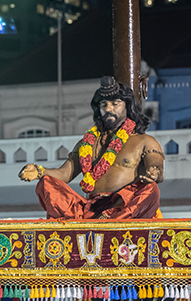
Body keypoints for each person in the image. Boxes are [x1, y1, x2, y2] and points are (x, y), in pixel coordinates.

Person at [19, 76, 163, 219]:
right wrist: (39, 171)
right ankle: (95, 220)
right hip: (90, 209)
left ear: (127, 105)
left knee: (150, 189)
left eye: (115, 103)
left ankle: (111, 220)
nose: (108, 109)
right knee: (46, 184)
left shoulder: (144, 141)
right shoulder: (86, 143)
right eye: (103, 104)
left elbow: (156, 164)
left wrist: (154, 171)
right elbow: (64, 174)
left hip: (123, 208)